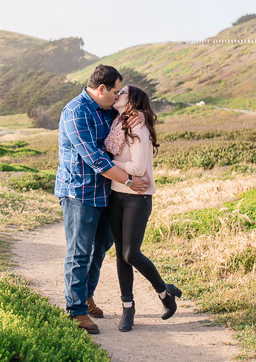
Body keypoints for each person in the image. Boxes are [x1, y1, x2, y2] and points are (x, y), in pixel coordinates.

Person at [56, 65, 150, 335]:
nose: (117, 95)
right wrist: (130, 181)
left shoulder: (107, 108)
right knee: (80, 250)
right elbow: (95, 159)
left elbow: (126, 117)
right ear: (101, 89)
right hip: (79, 192)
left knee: (101, 247)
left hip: (105, 192)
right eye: (115, 91)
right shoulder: (75, 112)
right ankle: (75, 311)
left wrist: (139, 115)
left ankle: (86, 296)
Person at [105, 84, 182, 332]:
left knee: (131, 254)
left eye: (123, 92)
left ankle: (164, 292)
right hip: (116, 196)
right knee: (120, 256)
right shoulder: (118, 122)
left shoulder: (138, 126)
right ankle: (128, 308)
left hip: (137, 198)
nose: (117, 95)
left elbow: (138, 169)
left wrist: (106, 163)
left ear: (133, 100)